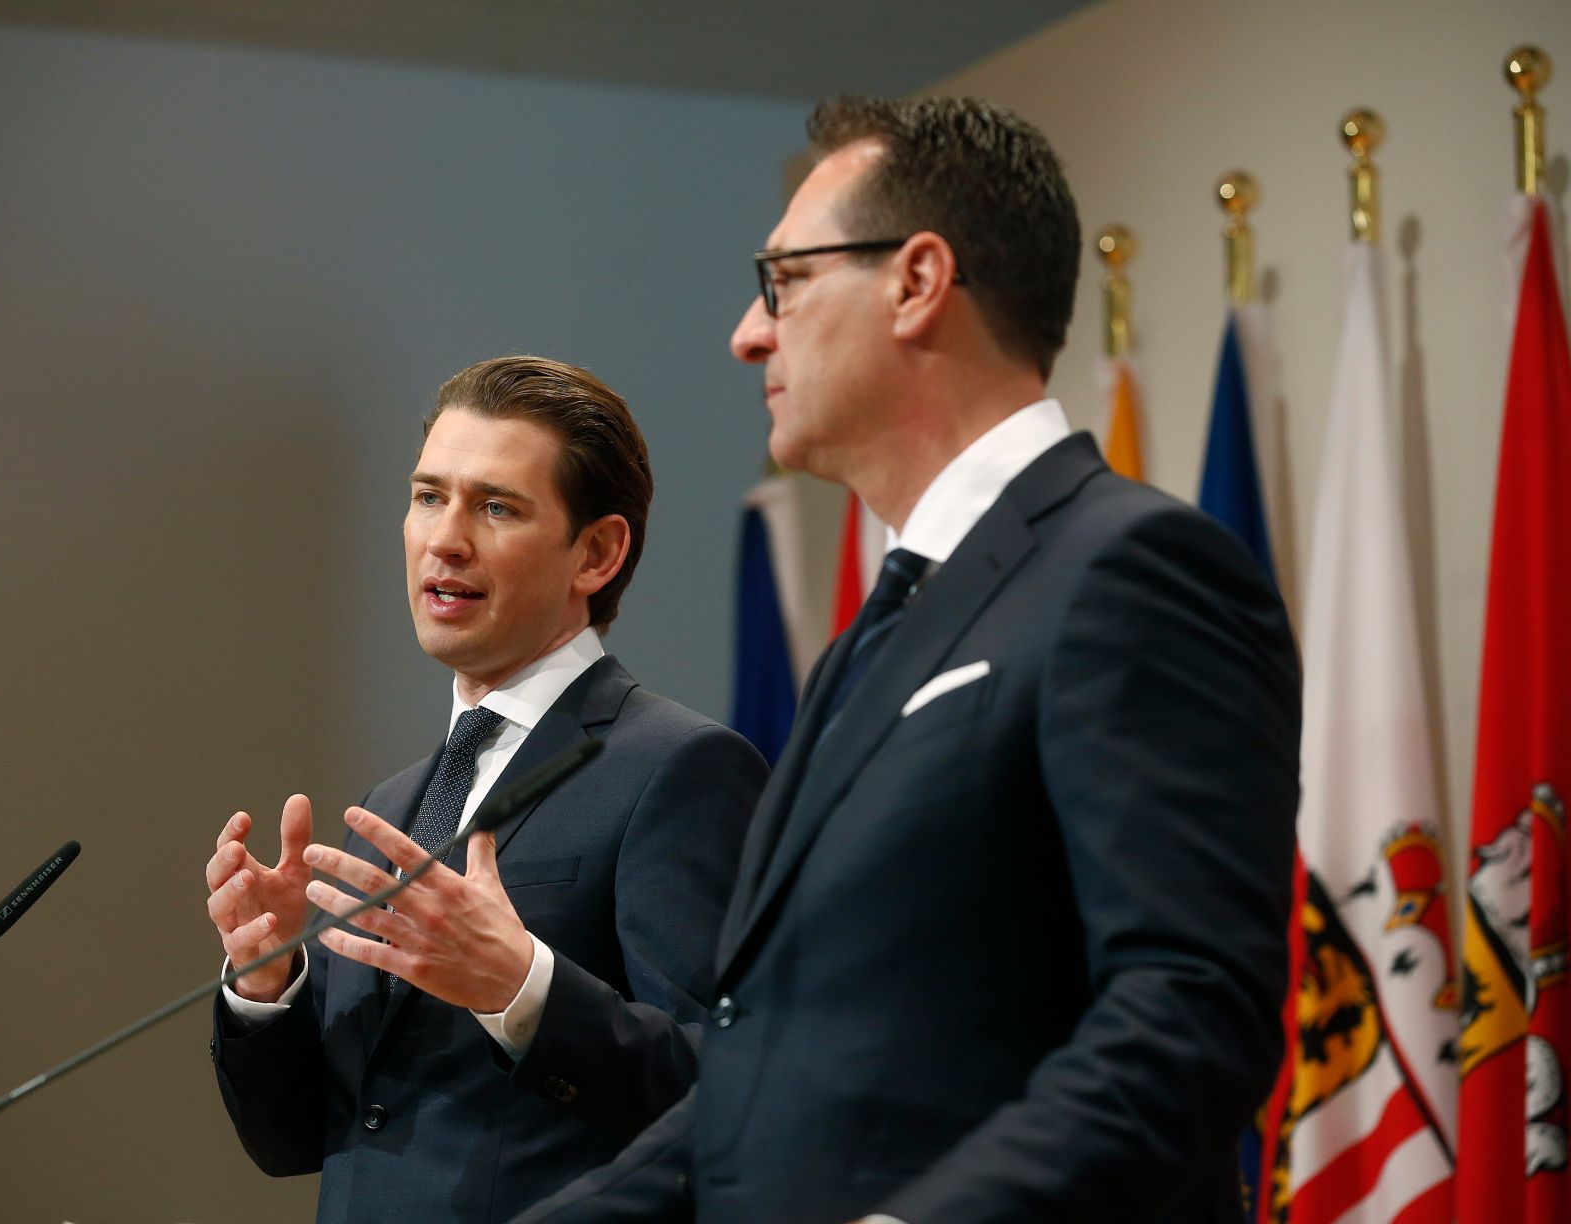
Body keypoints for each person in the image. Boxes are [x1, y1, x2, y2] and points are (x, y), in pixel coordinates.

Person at [513, 96, 1301, 1224]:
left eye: (781, 281)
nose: (747, 331)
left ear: (917, 280)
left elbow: (1186, 1016)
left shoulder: (1132, 570)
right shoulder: (874, 637)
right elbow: (765, 1077)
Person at [204, 355, 767, 1224]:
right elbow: (295, 1144)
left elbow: (734, 1093)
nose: (445, 539)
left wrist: (522, 987)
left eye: (496, 506)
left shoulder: (679, 767)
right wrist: (268, 986)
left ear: (598, 552)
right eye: (429, 496)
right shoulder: (391, 810)